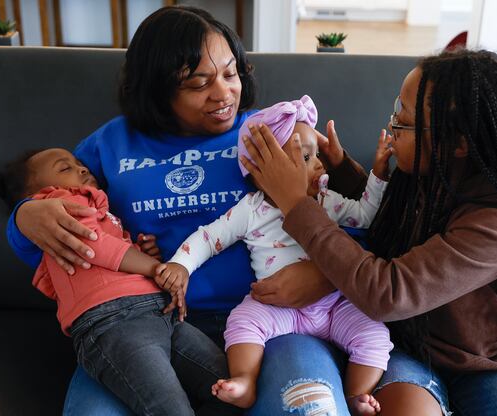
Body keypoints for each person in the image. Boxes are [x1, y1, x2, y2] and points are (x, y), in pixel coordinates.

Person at [5, 5, 360, 415]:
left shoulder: (269, 133)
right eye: (198, 83)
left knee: (309, 408)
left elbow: (347, 215)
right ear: (156, 89)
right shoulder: (111, 144)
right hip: (134, 324)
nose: (223, 93)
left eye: (231, 74)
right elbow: (47, 224)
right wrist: (23, 217)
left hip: (273, 322)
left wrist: (325, 274)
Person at [239, 49, 497, 416]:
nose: (391, 126)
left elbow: (390, 292)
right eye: (396, 109)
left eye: (404, 121)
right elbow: (386, 221)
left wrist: (296, 204)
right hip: (404, 350)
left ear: (458, 144)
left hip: (484, 366)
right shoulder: (423, 174)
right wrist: (341, 169)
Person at [155, 95, 394, 415]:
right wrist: (181, 265)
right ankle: (244, 381)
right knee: (242, 321)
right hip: (277, 306)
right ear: (264, 171)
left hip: (336, 303)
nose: (320, 164)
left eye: (317, 155)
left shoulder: (327, 201)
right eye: (307, 157)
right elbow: (210, 237)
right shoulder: (252, 210)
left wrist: (378, 175)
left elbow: (365, 216)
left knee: (375, 332)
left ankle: (356, 396)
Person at [0, 148, 238, 415]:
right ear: (36, 195)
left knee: (230, 391)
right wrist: (157, 268)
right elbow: (93, 245)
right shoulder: (59, 202)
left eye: (80, 164)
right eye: (64, 169)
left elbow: (111, 253)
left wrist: (142, 253)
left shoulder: (102, 211)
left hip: (160, 312)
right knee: (175, 406)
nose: (82, 169)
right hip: (116, 323)